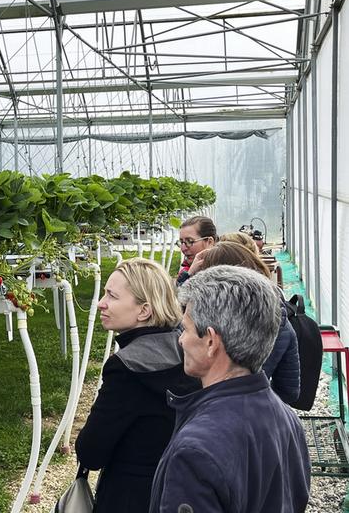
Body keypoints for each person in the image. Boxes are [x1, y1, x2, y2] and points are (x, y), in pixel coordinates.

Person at [149, 265, 310, 513]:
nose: (181, 339)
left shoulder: (196, 450)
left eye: (187, 329)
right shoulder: (286, 418)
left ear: (211, 342)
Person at [75, 258, 200, 512]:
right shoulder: (188, 353)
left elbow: (91, 451)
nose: (101, 303)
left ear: (144, 310)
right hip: (180, 492)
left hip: (129, 497)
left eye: (111, 296)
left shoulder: (125, 369)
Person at [190, 241, 300, 404]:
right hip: (258, 412)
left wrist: (186, 278)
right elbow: (289, 392)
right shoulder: (281, 319)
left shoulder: (208, 326)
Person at [175, 216, 216, 286]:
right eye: (181, 242)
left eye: (190, 241)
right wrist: (188, 276)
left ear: (209, 242)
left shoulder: (226, 273)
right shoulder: (185, 271)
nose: (183, 248)